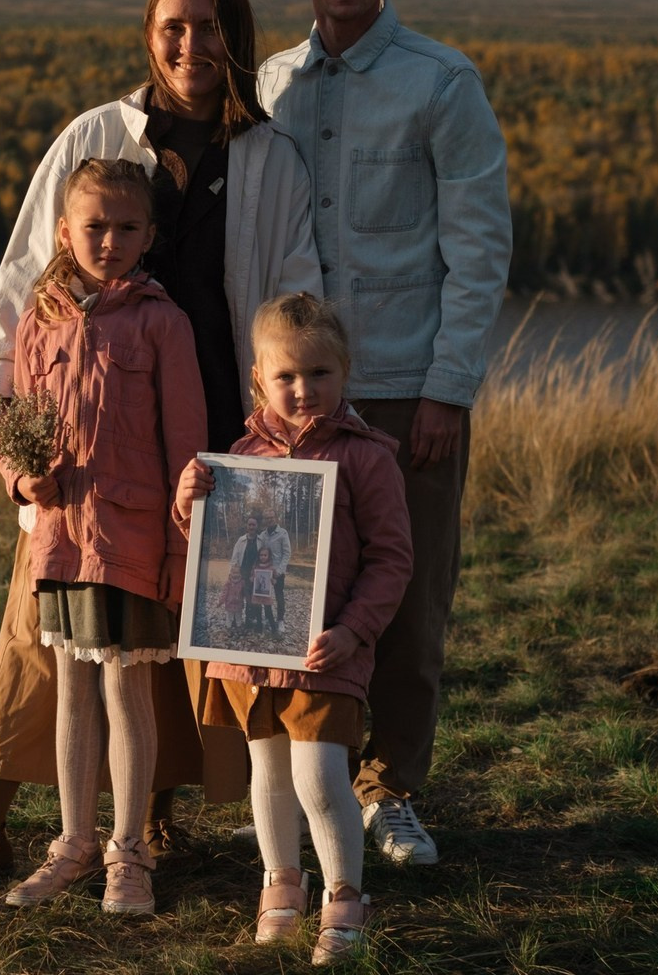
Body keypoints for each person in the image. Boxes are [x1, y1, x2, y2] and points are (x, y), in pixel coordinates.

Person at [0, 0, 321, 884]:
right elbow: (19, 300)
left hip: (224, 443)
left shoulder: (272, 157)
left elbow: (290, 300)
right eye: (174, 26)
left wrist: (285, 434)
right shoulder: (94, 138)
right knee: (47, 645)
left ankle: (273, 855)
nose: (192, 44)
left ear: (239, 40)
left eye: (210, 27)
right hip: (91, 452)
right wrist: (14, 453)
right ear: (150, 35)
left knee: (230, 644)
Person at [258, 0, 512, 866]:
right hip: (292, 393)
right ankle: (296, 785)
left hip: (407, 386)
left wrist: (448, 385)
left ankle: (390, 790)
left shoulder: (441, 83)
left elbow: (478, 246)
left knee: (405, 600)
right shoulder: (270, 84)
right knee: (287, 594)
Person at [0, 158, 206, 916]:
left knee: (126, 689)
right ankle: (73, 844)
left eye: (125, 228)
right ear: (64, 231)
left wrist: (181, 553)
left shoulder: (162, 322)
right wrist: (23, 483)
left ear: (149, 235)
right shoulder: (37, 321)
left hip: (135, 540)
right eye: (94, 226)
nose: (109, 241)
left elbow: (187, 451)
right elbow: (12, 430)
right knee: (72, 691)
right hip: (59, 541)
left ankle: (130, 854)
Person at [177, 293, 413, 964]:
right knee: (268, 775)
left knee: (319, 776)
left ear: (345, 373)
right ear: (259, 379)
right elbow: (208, 547)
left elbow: (394, 558)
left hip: (324, 650)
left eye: (319, 374)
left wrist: (354, 631)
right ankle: (281, 883)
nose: (303, 390)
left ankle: (346, 895)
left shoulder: (367, 457)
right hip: (250, 649)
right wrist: (187, 501)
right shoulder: (240, 455)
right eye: (286, 377)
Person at [261, 513, 292, 629]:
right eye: (267, 518)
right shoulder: (263, 535)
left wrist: (279, 571)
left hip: (278, 571)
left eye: (271, 517)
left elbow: (287, 553)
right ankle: (269, 619)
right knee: (265, 596)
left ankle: (280, 621)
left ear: (275, 518)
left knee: (279, 596)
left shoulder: (283, 533)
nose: (269, 520)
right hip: (265, 571)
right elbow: (261, 552)